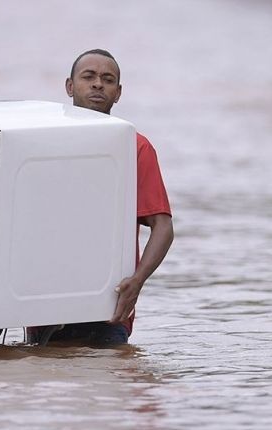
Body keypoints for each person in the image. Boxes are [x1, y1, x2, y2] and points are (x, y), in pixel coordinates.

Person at [27, 49, 174, 347]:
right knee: (44, 387)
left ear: (118, 93)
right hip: (42, 303)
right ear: (69, 86)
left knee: (109, 387)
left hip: (108, 307)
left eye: (108, 80)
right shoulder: (37, 144)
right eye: (89, 77)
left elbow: (163, 227)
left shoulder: (136, 147)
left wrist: (137, 281)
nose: (98, 84)